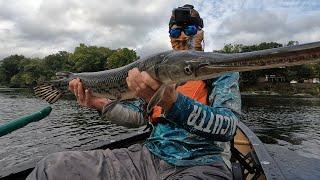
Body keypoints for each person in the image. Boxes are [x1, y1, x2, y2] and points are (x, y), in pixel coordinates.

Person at [27, 4, 241, 180]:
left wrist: (172, 103)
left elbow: (228, 128)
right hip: (150, 157)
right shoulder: (152, 72)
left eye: (191, 30)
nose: (182, 37)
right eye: (175, 31)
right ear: (169, 36)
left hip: (203, 163)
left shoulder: (219, 71)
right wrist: (97, 102)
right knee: (51, 168)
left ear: (201, 33)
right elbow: (139, 117)